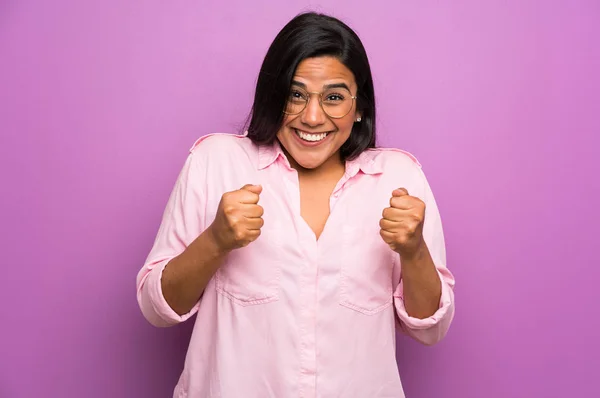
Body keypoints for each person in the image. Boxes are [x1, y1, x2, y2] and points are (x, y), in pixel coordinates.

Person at [136, 11, 455, 398]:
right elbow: (157, 308)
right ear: (274, 95)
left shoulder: (399, 178)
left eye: (334, 97)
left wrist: (413, 250)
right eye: (296, 94)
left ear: (360, 108)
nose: (313, 117)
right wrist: (216, 240)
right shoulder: (215, 161)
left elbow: (429, 328)